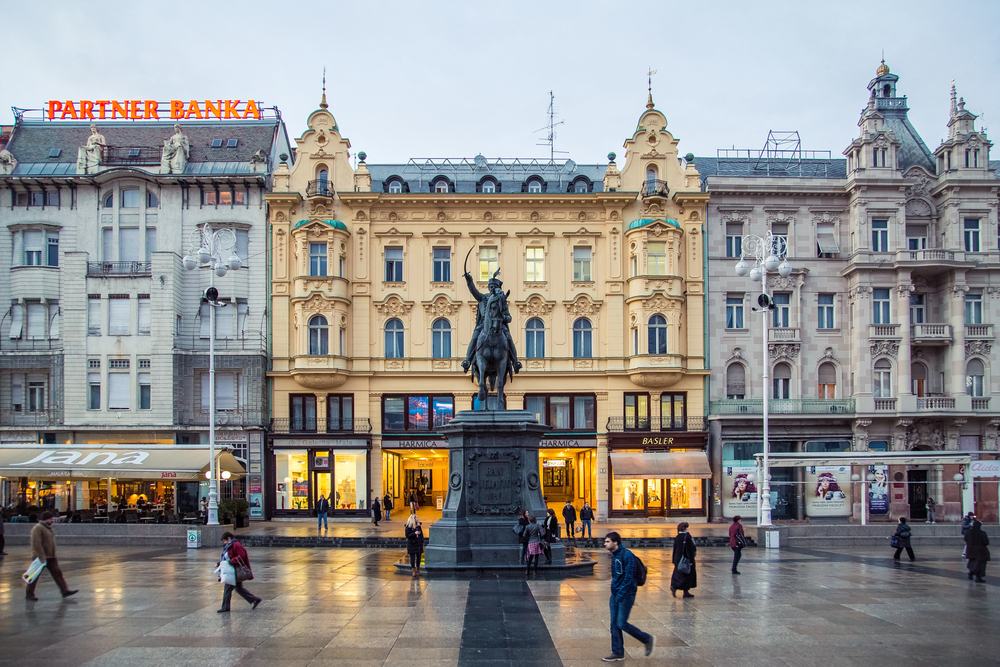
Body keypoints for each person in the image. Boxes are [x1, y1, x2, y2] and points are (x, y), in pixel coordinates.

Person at [603, 531, 655, 662]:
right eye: (605, 541)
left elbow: (629, 577)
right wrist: (615, 592)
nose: (605, 544)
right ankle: (617, 652)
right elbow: (617, 576)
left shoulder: (627, 555)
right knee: (614, 624)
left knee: (621, 623)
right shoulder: (614, 555)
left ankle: (646, 638)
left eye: (608, 541)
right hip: (615, 594)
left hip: (626, 594)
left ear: (616, 542)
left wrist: (620, 593)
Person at [461, 270, 521, 375]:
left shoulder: (501, 299)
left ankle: (515, 362)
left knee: (509, 338)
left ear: (498, 288)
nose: (492, 288)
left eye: (494, 286)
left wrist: (503, 317)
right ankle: (467, 361)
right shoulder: (482, 298)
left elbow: (509, 317)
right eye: (491, 286)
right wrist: (469, 280)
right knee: (475, 337)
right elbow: (473, 291)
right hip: (483, 325)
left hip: (499, 325)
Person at [25, 511, 77, 601]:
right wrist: (41, 557)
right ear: (45, 519)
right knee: (34, 575)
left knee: (57, 573)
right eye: (50, 519)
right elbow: (36, 544)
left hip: (51, 556)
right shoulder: (38, 528)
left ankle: (65, 591)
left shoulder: (47, 528)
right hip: (41, 557)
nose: (52, 520)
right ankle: (29, 594)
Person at [218, 531, 261, 612]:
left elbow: (242, 555)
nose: (224, 543)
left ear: (229, 538)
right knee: (238, 588)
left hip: (234, 570)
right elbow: (226, 557)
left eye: (224, 541)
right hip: (232, 569)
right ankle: (254, 599)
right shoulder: (230, 545)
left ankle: (225, 607)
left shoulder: (235, 544)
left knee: (228, 589)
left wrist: (232, 561)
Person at [670, 522, 697, 598]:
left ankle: (676, 587)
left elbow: (675, 549)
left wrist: (674, 560)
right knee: (688, 574)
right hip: (686, 559)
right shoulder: (687, 537)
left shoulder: (678, 537)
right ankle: (684, 590)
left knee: (678, 574)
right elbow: (690, 549)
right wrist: (691, 561)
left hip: (678, 559)